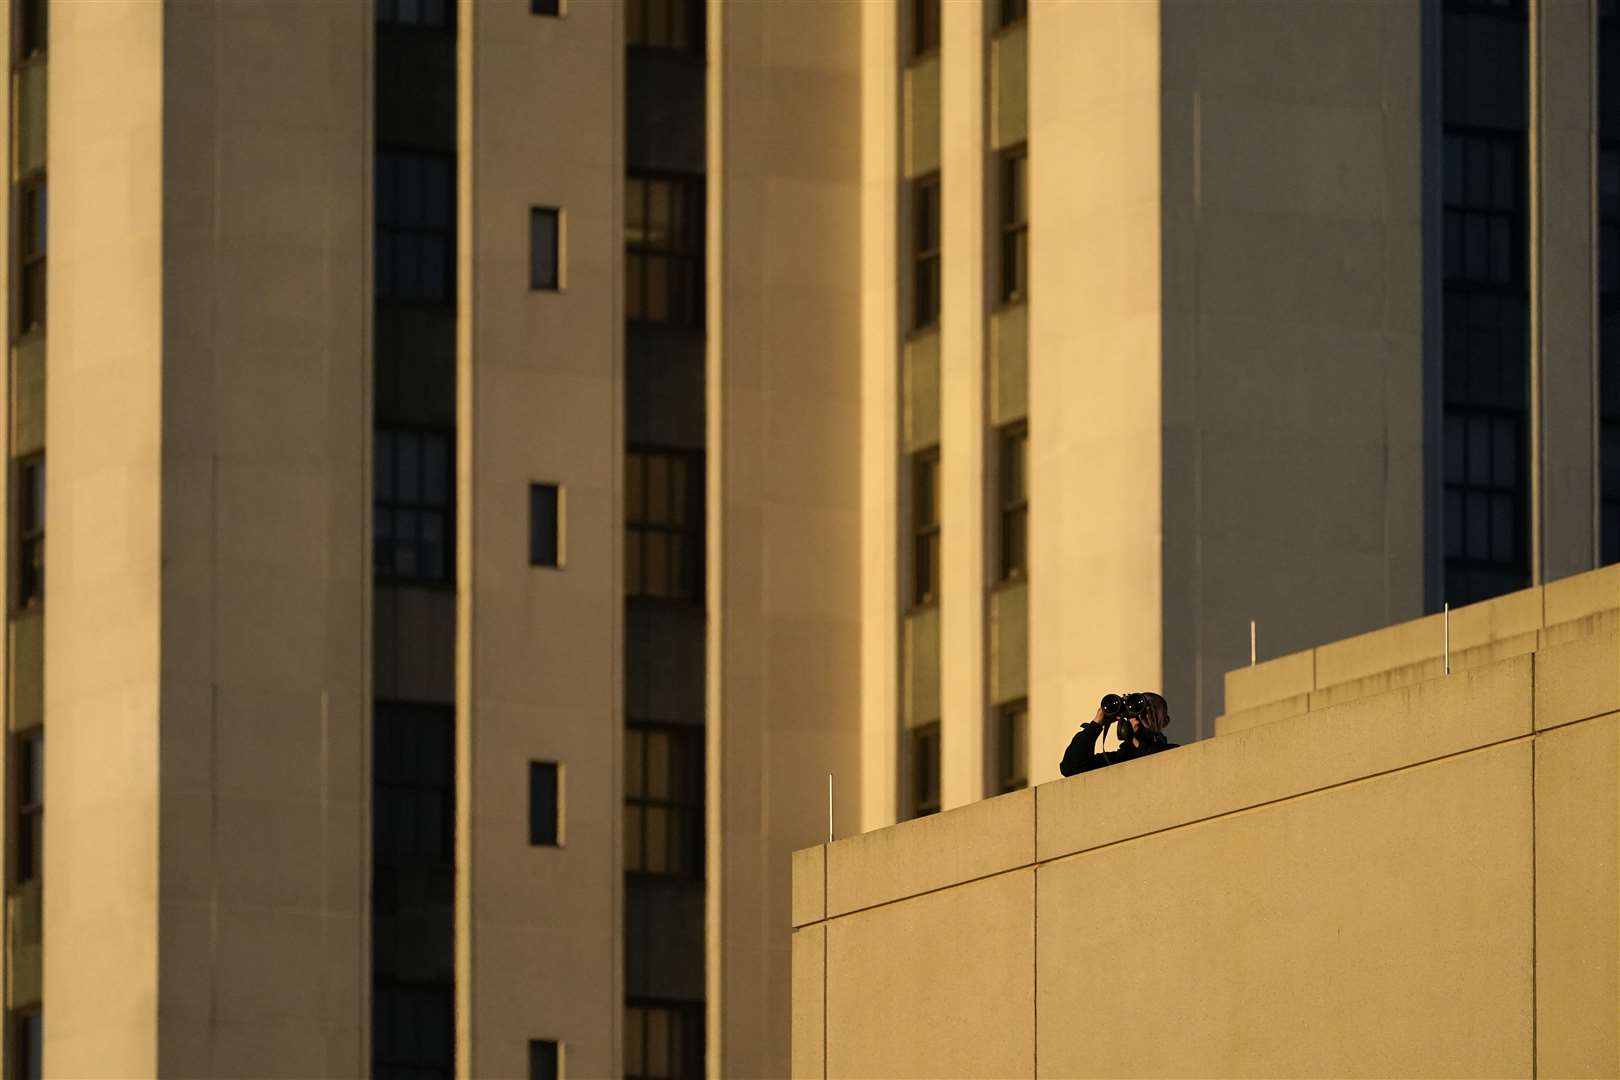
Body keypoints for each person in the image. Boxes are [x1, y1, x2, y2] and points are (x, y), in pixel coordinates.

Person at [1059, 691, 1179, 777]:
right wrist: (1096, 725)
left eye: (1149, 712)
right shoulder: (1115, 761)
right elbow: (1071, 768)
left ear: (1164, 722)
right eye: (1135, 712)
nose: (1139, 718)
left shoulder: (1173, 754)